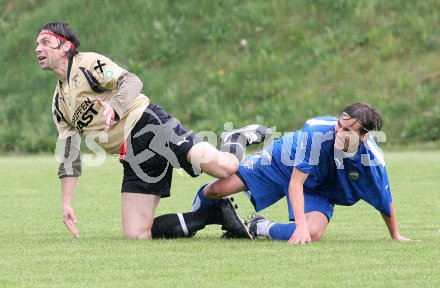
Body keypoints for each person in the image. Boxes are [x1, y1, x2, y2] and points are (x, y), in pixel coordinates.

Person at [35, 21, 271, 240]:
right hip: (132, 154)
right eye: (37, 44)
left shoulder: (87, 64)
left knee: (225, 168)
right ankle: (212, 214)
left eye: (45, 42)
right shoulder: (58, 103)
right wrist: (66, 203)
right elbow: (69, 155)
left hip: (150, 126)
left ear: (66, 45)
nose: (38, 48)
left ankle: (235, 137)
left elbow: (131, 81)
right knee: (137, 234)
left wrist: (115, 107)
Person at [191, 103, 412, 244]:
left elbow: (385, 199)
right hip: (282, 161)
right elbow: (295, 183)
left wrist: (395, 235)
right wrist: (300, 224)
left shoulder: (372, 160)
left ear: (364, 136)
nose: (338, 131)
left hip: (318, 185)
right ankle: (236, 139)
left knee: (313, 233)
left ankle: (257, 226)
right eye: (338, 124)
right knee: (217, 190)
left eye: (347, 130)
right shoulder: (316, 133)